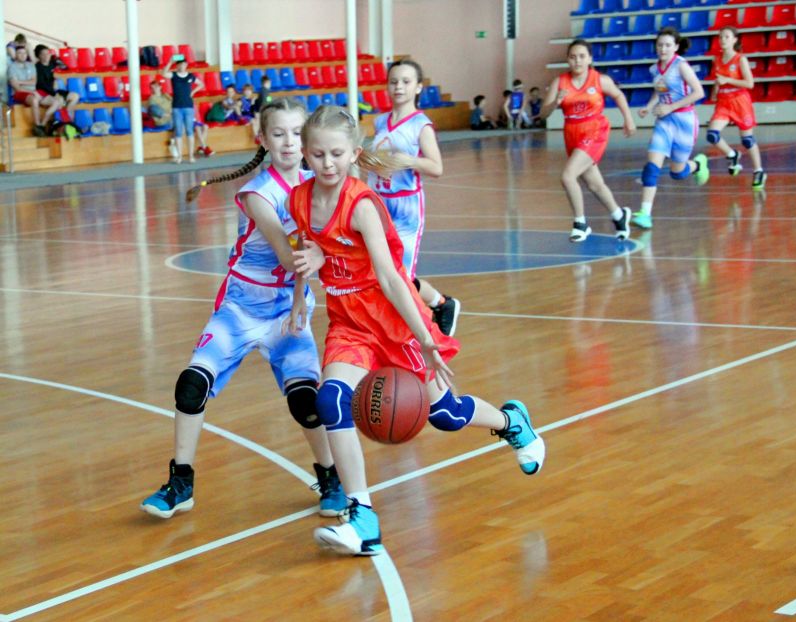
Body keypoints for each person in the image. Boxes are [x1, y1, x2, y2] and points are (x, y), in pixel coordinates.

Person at [286, 105, 546, 556]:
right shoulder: (299, 199)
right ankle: (362, 517)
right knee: (330, 399)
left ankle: (511, 421)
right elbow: (310, 253)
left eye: (336, 154)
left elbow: (391, 279)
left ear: (354, 154)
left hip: (391, 319)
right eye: (318, 154)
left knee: (445, 414)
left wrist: (426, 338)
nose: (327, 163)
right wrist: (302, 289)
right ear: (305, 155)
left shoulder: (362, 205)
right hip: (349, 322)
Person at [141, 98, 347, 520]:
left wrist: (306, 286)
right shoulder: (257, 193)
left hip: (288, 312)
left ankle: (331, 478)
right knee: (191, 386)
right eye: (278, 134)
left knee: (306, 402)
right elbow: (292, 256)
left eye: (296, 133)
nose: (288, 142)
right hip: (240, 308)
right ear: (263, 140)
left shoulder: (318, 186)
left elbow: (325, 246)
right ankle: (181, 482)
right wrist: (323, 254)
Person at [368, 59, 461, 336]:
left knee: (400, 277)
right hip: (378, 203)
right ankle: (440, 303)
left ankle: (416, 331)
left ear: (418, 87)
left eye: (406, 82)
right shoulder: (380, 121)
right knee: (380, 272)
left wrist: (409, 160)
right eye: (394, 81)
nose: (399, 87)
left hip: (406, 207)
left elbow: (436, 167)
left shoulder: (421, 125)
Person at [539, 39, 636, 242]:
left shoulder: (600, 80)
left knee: (568, 176)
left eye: (582, 56)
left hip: (594, 130)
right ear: (568, 60)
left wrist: (628, 119)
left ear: (590, 59)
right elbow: (543, 114)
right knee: (594, 184)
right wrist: (555, 102)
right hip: (572, 132)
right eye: (573, 57)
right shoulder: (559, 82)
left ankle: (580, 224)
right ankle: (619, 215)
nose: (577, 61)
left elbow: (618, 95)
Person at [632, 27, 710, 230]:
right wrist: (649, 106)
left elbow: (699, 92)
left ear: (675, 47)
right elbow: (660, 91)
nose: (663, 49)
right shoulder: (654, 69)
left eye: (667, 45)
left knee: (678, 173)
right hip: (664, 122)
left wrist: (671, 107)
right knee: (652, 167)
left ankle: (698, 164)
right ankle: (645, 213)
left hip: (685, 121)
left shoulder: (681, 66)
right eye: (660, 45)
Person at [707, 26, 766, 190]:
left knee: (747, 140)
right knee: (712, 134)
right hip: (723, 101)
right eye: (721, 37)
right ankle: (732, 154)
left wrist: (728, 80)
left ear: (734, 40)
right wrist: (715, 90)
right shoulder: (716, 60)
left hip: (740, 101)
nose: (723, 40)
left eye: (726, 37)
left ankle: (758, 171)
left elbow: (750, 83)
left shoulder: (740, 59)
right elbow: (718, 80)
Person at [8, 44, 58, 136]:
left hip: (34, 91)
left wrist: (19, 81)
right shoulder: (12, 67)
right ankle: (37, 125)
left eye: (24, 53)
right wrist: (29, 89)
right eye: (20, 53)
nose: (23, 55)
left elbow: (34, 81)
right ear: (16, 55)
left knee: (56, 102)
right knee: (34, 99)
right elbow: (16, 87)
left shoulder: (31, 65)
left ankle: (42, 125)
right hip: (20, 93)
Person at [163, 54, 203, 163]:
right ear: (177, 65)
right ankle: (180, 156)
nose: (182, 66)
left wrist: (193, 92)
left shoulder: (190, 76)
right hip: (176, 107)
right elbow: (164, 73)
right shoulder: (174, 75)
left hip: (188, 106)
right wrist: (170, 62)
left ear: (186, 65)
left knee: (190, 131)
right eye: (180, 64)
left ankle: (190, 156)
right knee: (178, 132)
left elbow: (201, 84)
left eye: (184, 64)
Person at [34, 44, 79, 122]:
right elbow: (41, 85)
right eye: (43, 54)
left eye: (48, 53)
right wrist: (55, 94)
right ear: (39, 56)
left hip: (54, 91)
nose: (47, 56)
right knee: (59, 101)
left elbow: (65, 68)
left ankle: (68, 118)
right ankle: (57, 122)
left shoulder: (52, 62)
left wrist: (57, 59)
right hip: (45, 92)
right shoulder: (37, 67)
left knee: (75, 96)